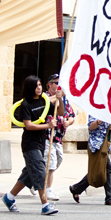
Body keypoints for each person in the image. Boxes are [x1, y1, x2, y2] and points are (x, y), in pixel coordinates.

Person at [2, 75, 59, 215]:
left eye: (40, 85)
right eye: (36, 86)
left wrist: (59, 98)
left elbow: (60, 112)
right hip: (30, 143)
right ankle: (45, 204)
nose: (39, 88)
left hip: (41, 142)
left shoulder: (44, 101)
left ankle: (9, 197)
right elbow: (28, 126)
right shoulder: (25, 104)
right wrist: (47, 125)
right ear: (30, 88)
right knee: (40, 172)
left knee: (28, 174)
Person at [69, 115, 111, 206]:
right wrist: (99, 121)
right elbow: (91, 127)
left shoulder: (108, 111)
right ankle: (110, 197)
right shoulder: (95, 111)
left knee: (98, 170)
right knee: (106, 170)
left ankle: (76, 188)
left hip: (105, 145)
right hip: (97, 145)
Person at [42, 73, 72, 201]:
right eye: (56, 83)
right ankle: (48, 189)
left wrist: (68, 122)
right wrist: (56, 97)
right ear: (49, 84)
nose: (58, 85)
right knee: (51, 163)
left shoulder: (63, 99)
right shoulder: (45, 96)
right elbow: (44, 102)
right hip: (47, 136)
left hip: (59, 137)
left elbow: (70, 115)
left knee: (57, 160)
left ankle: (33, 179)